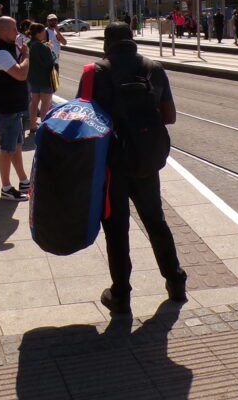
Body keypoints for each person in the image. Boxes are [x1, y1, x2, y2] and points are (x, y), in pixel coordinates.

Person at [76, 23, 185, 315]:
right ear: (132, 40)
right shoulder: (154, 68)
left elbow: (82, 122)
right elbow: (170, 116)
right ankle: (176, 281)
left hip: (112, 166)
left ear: (106, 44)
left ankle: (121, 296)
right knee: (155, 221)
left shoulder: (95, 72)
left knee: (116, 229)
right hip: (147, 161)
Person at [0, 16, 31, 201]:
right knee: (7, 149)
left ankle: (23, 180)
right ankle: (6, 187)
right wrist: (26, 56)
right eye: (14, 29)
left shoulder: (3, 49)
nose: (17, 33)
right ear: (4, 31)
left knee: (16, 146)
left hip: (10, 108)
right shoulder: (0, 52)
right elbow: (20, 74)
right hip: (6, 109)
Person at [27, 22, 55, 133]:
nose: (45, 33)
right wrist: (49, 49)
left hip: (33, 77)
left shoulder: (29, 44)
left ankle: (33, 125)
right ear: (38, 33)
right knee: (45, 103)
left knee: (34, 102)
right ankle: (44, 127)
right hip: (45, 78)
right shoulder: (43, 46)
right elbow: (50, 63)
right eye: (43, 31)